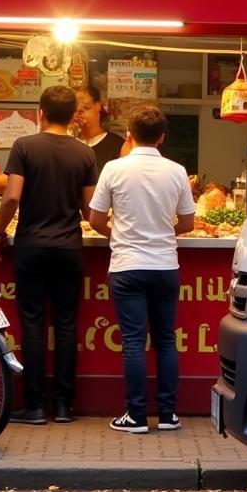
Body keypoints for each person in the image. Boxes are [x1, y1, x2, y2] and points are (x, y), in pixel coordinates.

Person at [0, 86, 97, 425]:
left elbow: (11, 198)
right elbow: (88, 208)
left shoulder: (24, 146)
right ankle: (64, 406)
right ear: (73, 116)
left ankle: (35, 406)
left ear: (41, 113)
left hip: (31, 246)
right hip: (69, 247)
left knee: (33, 325)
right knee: (67, 326)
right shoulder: (84, 152)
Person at [88, 106, 195, 434]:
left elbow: (94, 219)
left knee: (134, 342)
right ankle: (167, 415)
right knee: (165, 339)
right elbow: (188, 223)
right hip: (165, 265)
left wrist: (119, 234)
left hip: (127, 266)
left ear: (130, 135)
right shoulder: (177, 171)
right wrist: (160, 233)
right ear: (162, 137)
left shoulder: (113, 169)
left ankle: (135, 416)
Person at [74, 85, 127, 174]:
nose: (79, 114)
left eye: (86, 108)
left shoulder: (117, 145)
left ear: (98, 106)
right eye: (75, 110)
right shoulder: (70, 145)